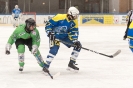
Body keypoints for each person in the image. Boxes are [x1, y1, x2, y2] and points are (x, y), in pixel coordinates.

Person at [44, 6, 82, 72]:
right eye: (75, 15)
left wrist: (75, 40)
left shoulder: (74, 22)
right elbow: (48, 24)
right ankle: (46, 66)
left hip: (64, 37)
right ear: (71, 14)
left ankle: (71, 63)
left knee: (78, 46)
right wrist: (49, 33)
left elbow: (74, 32)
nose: (76, 17)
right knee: (54, 50)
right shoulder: (59, 17)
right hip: (55, 36)